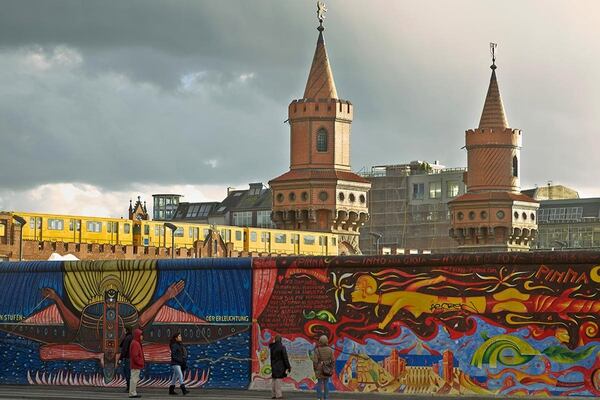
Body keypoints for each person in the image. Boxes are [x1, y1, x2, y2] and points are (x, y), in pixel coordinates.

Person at [269, 335, 290, 400]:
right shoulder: (282, 347)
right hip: (280, 366)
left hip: (274, 365)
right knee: (278, 380)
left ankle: (273, 395)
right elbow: (285, 358)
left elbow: (271, 358)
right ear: (280, 340)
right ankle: (279, 395)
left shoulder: (272, 347)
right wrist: (288, 366)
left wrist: (272, 365)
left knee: (274, 380)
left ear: (275, 340)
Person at [312, 335, 333, 400]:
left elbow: (315, 361)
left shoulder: (317, 350)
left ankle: (319, 398)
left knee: (319, 383)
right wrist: (331, 368)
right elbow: (333, 360)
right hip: (327, 369)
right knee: (326, 383)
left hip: (319, 369)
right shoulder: (330, 350)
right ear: (326, 341)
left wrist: (315, 369)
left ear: (320, 341)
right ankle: (326, 398)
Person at [129, 328, 145, 399]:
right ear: (137, 335)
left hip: (136, 365)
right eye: (141, 335)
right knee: (134, 379)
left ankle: (133, 392)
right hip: (136, 365)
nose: (142, 337)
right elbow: (135, 356)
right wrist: (140, 362)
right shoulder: (135, 343)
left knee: (134, 379)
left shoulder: (135, 342)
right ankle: (132, 393)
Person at [119, 326, 133, 393]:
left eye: (124, 330)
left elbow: (124, 349)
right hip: (131, 358)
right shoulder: (132, 337)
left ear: (126, 330)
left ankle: (129, 387)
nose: (123, 331)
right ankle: (130, 387)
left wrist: (120, 358)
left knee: (127, 373)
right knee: (130, 373)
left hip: (127, 358)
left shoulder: (127, 338)